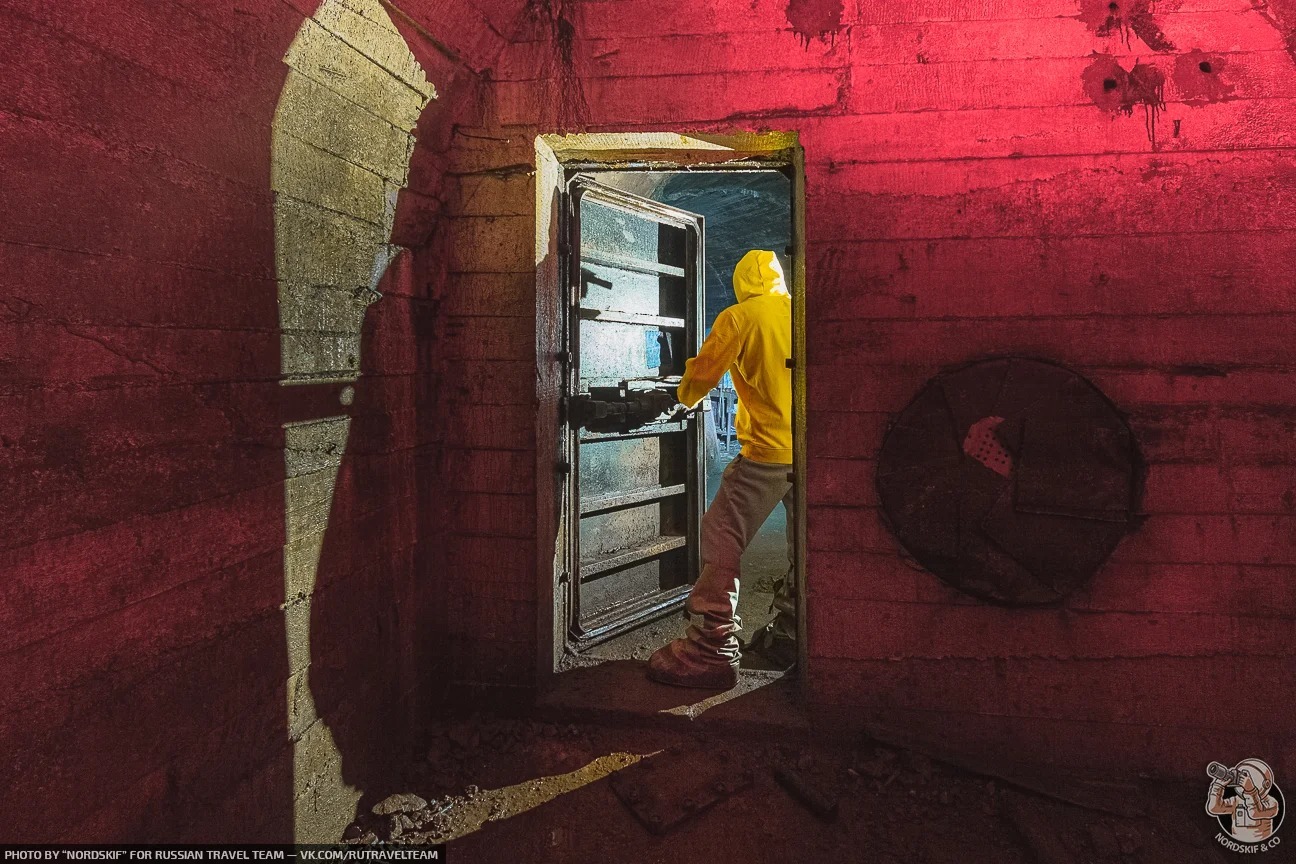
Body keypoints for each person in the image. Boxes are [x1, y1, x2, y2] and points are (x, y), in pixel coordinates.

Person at [647, 249, 796, 689]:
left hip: (766, 452)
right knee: (805, 547)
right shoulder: (798, 311)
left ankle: (710, 648)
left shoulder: (739, 316)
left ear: (741, 282)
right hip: (810, 450)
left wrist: (680, 397)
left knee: (720, 535)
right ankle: (791, 635)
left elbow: (703, 376)